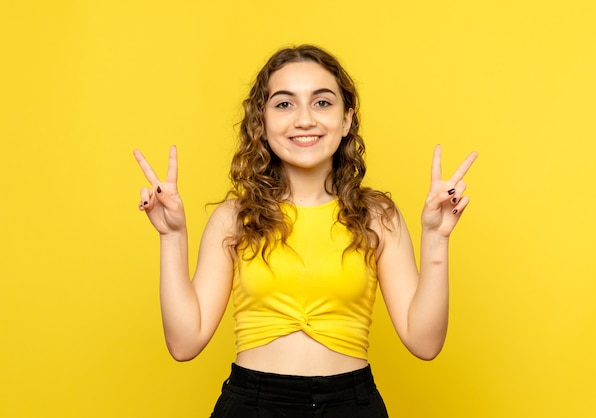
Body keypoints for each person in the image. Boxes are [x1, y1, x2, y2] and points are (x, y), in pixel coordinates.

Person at [133, 44, 477, 417]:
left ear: (347, 119)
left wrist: (437, 239)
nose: (304, 119)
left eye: (322, 102)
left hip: (352, 404)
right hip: (253, 404)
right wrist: (171, 237)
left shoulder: (377, 216)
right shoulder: (236, 218)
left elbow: (424, 343)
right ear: (260, 123)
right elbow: (184, 344)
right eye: (284, 104)